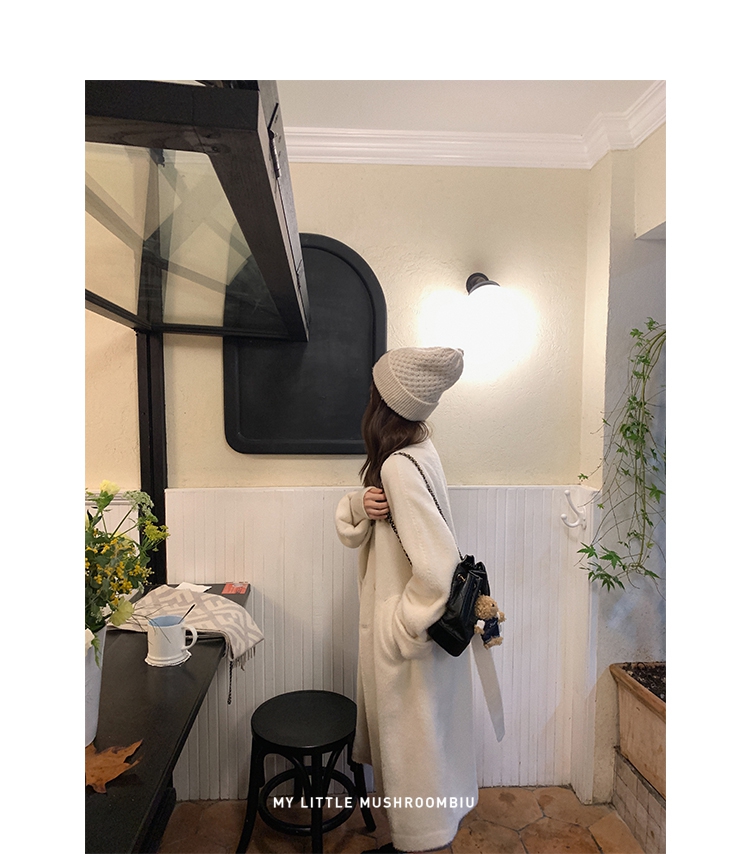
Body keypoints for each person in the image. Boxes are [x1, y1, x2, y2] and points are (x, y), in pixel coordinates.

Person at [335, 346, 477, 854]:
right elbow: (397, 535)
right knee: (425, 751)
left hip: (408, 648)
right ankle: (419, 841)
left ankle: (416, 844)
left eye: (375, 390)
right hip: (422, 649)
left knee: (414, 757)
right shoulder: (417, 451)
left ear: (386, 402)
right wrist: (361, 504)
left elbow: (436, 567)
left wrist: (400, 626)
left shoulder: (398, 466)